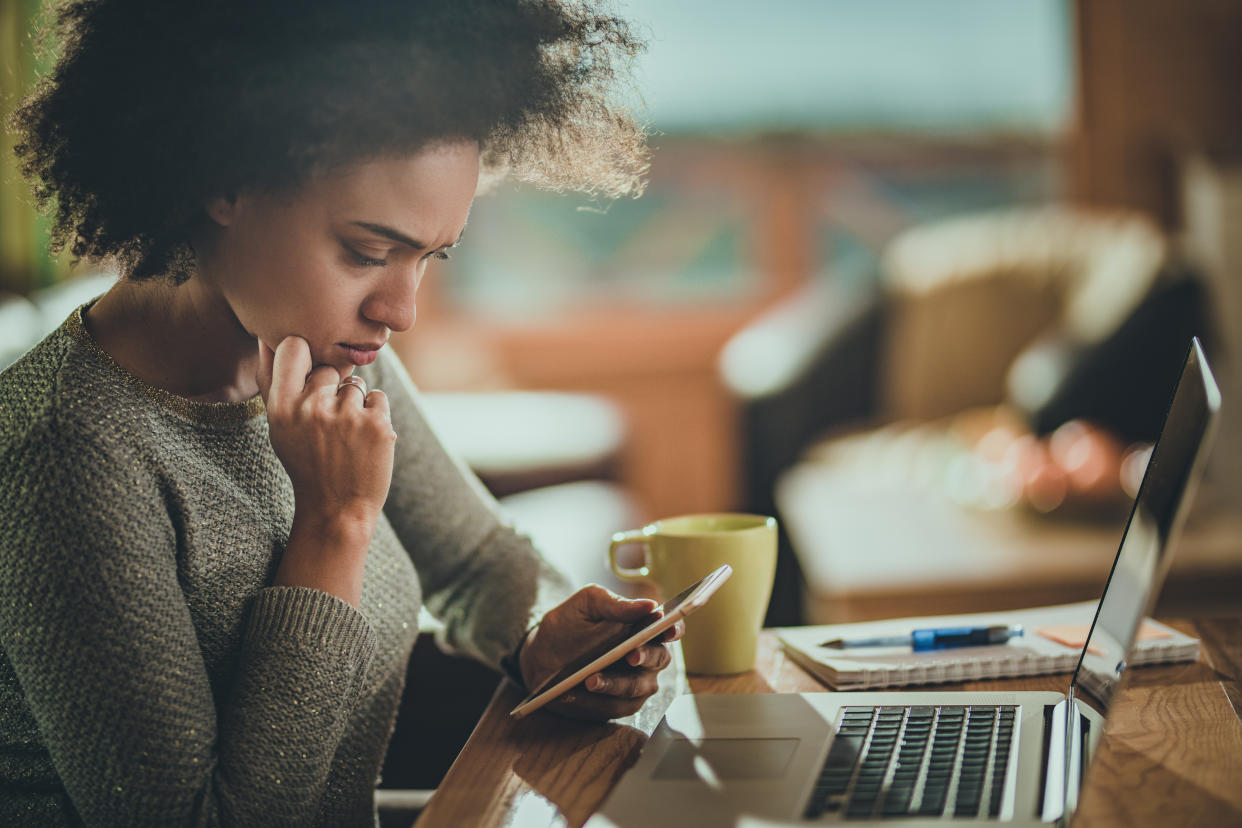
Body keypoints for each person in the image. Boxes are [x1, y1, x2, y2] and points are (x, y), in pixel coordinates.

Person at [0, 1, 681, 824]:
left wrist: (545, 637)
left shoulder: (327, 347)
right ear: (225, 181)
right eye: (367, 252)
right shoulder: (67, 452)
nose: (401, 311)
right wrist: (331, 526)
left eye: (430, 258)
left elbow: (473, 559)